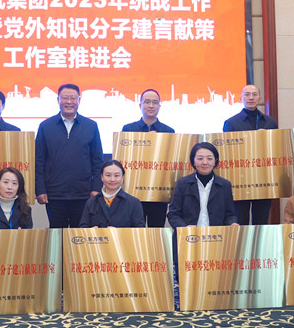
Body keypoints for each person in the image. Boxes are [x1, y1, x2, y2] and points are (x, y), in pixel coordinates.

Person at [35, 83, 103, 228]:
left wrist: (96, 188)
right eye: (65, 98)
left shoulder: (91, 126)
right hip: (54, 194)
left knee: (80, 234)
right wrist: (40, 190)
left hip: (83, 194)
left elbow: (97, 160)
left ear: (79, 100)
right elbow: (39, 161)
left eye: (73, 98)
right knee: (56, 234)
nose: (69, 102)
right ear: (58, 100)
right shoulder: (45, 126)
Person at [222, 84, 277, 225]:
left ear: (260, 98)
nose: (251, 97)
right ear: (241, 98)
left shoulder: (270, 122)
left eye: (254, 94)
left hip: (264, 178)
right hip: (240, 179)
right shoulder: (231, 123)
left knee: (261, 221)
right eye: (247, 95)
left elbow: (276, 149)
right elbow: (227, 152)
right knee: (240, 221)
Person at [122, 88, 174, 228]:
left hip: (158, 191)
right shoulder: (128, 130)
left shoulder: (168, 131)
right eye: (147, 102)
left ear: (159, 106)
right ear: (140, 105)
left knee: (156, 232)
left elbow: (170, 161)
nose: (151, 106)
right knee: (134, 231)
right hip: (133, 191)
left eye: (155, 102)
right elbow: (125, 158)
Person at [167, 142, 239, 228]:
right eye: (200, 158)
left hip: (216, 234)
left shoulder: (225, 185)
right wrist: (185, 228)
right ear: (193, 161)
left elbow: (230, 215)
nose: (205, 162)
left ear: (215, 161)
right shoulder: (183, 183)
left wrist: (232, 223)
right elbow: (173, 214)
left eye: (209, 158)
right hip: (189, 235)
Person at [79, 160, 145, 228]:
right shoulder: (91, 202)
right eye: (108, 175)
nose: (112, 179)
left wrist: (118, 232)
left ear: (122, 177)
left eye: (117, 175)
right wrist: (90, 231)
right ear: (101, 177)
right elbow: (82, 228)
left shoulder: (134, 203)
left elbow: (140, 230)